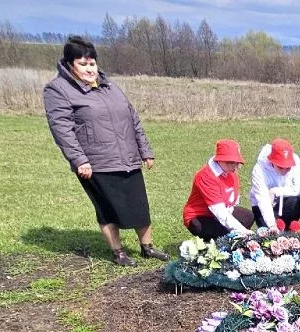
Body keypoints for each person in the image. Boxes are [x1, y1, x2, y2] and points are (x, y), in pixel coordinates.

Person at [42, 36, 168, 266]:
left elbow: (133, 119)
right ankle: (118, 252)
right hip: (95, 162)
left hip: (127, 157)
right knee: (107, 208)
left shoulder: (110, 86)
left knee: (140, 205)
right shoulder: (57, 90)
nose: (89, 69)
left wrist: (145, 150)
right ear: (70, 64)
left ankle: (147, 247)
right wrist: (79, 160)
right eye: (83, 64)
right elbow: (62, 129)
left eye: (92, 63)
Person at [182, 139, 255, 240]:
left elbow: (232, 201)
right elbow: (218, 211)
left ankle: (230, 240)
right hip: (200, 216)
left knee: (248, 216)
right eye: (231, 163)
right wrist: (241, 230)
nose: (236, 167)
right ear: (219, 160)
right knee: (221, 230)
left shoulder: (232, 172)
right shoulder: (205, 176)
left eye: (237, 163)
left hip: (223, 211)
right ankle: (224, 242)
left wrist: (236, 225)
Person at [249, 138, 300, 229]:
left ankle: (288, 231)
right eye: (280, 167)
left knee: (296, 201)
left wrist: (276, 191)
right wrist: (272, 225)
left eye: (288, 167)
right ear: (271, 161)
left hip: (287, 201)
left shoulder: (296, 161)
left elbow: (298, 188)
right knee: (268, 236)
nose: (285, 170)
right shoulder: (259, 170)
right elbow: (263, 199)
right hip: (264, 204)